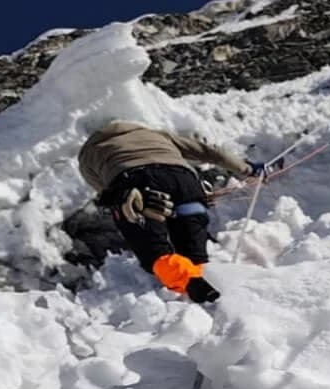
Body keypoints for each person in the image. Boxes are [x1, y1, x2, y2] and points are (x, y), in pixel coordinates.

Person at [77, 120, 277, 303]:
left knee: (156, 254)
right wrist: (248, 170)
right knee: (195, 257)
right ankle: (209, 290)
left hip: (136, 183)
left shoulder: (88, 154)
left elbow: (108, 192)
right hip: (185, 182)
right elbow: (213, 153)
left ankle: (192, 287)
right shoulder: (156, 135)